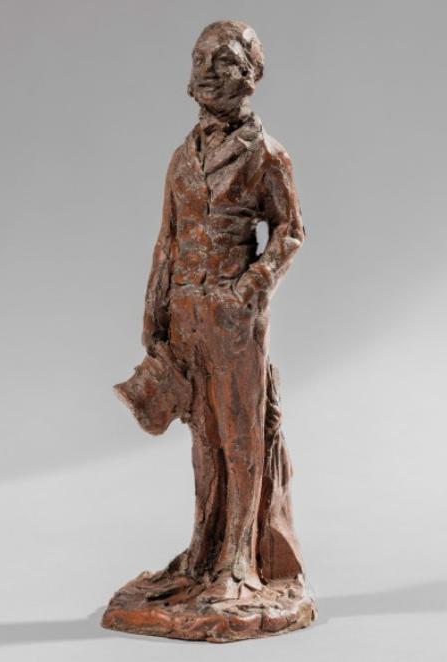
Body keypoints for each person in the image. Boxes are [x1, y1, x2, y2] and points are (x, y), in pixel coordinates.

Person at [140, 20, 306, 604]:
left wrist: (251, 287)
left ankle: (239, 562)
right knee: (204, 439)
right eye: (200, 59)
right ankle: (203, 552)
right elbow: (167, 239)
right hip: (186, 312)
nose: (209, 71)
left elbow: (290, 231)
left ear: (252, 74)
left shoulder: (266, 154)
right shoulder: (182, 156)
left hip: (234, 319)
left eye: (225, 59)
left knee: (241, 436)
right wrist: (153, 314)